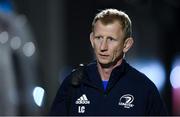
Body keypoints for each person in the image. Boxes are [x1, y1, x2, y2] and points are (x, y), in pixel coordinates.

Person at [50, 8, 168, 116]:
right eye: (99, 38)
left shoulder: (143, 88)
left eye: (111, 39)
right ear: (92, 39)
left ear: (126, 45)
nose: (103, 47)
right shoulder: (74, 85)